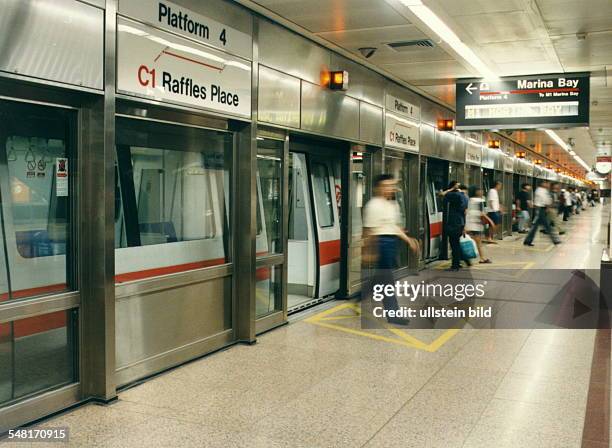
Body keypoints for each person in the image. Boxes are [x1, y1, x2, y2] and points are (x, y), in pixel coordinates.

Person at [363, 174, 420, 325]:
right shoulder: (373, 205)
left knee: (381, 277)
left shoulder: (391, 205)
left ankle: (360, 295)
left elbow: (394, 227)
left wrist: (408, 240)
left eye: (391, 185)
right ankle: (393, 315)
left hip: (391, 242)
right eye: (386, 185)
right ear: (378, 188)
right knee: (388, 282)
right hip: (380, 243)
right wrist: (370, 251)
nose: (390, 188)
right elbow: (368, 231)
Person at [524, 180, 560, 246]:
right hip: (540, 209)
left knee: (535, 227)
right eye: (547, 183)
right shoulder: (541, 190)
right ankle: (555, 240)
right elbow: (546, 200)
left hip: (541, 209)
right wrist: (548, 206)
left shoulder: (542, 190)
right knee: (547, 226)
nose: (548, 185)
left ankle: (528, 240)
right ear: (543, 183)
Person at [443, 181, 468, 271]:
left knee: (454, 245)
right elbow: (465, 212)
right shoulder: (464, 196)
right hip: (460, 223)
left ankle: (455, 266)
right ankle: (458, 262)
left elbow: (442, 194)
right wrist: (464, 226)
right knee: (456, 244)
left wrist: (450, 189)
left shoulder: (454, 195)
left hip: (453, 223)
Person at [466, 185, 493, 263]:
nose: (482, 192)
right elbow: (483, 213)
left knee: (474, 241)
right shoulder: (480, 200)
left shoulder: (470, 200)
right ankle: (481, 258)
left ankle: (479, 257)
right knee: (478, 242)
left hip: (469, 223)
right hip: (476, 224)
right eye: (480, 190)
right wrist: (490, 221)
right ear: (476, 192)